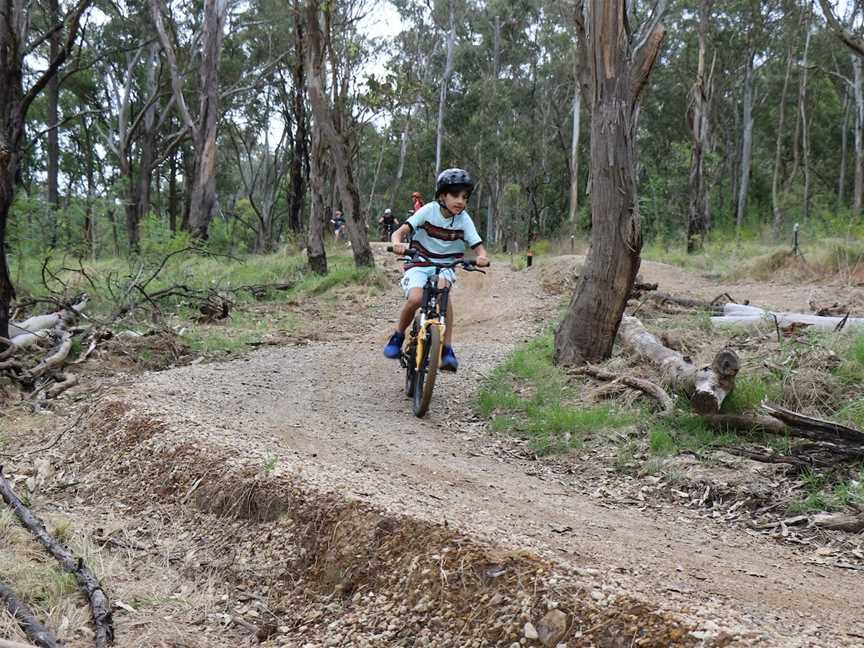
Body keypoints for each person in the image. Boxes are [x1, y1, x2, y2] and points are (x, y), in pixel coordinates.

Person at [383, 168, 489, 372]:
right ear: (442, 195)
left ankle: (447, 349)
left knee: (444, 296)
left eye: (465, 197)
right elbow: (401, 231)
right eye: (455, 195)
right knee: (415, 299)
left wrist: (482, 257)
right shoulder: (428, 210)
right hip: (419, 262)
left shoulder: (464, 219)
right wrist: (397, 243)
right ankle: (397, 336)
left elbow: (478, 246)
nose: (460, 201)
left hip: (446, 266)